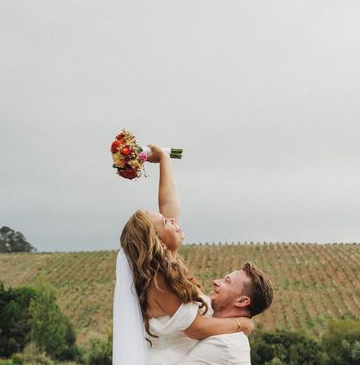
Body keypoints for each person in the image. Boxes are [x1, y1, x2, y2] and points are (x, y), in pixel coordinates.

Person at [113, 144, 257, 365]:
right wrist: (242, 324)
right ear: (158, 241)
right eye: (165, 222)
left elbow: (170, 204)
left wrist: (164, 158)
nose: (171, 220)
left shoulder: (165, 263)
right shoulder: (159, 281)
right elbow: (197, 328)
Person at [179, 262, 274, 365]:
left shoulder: (224, 344)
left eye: (226, 281)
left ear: (241, 301)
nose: (215, 281)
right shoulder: (211, 322)